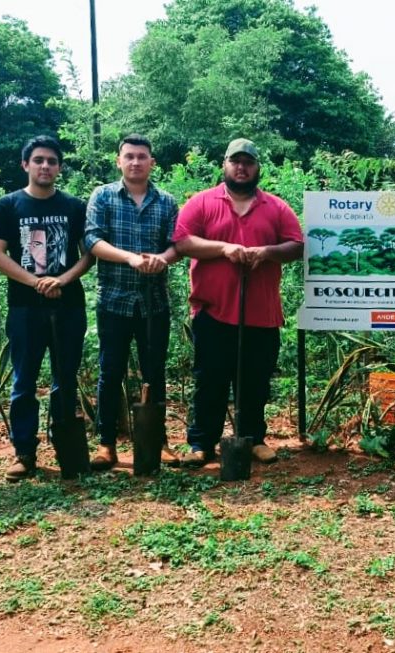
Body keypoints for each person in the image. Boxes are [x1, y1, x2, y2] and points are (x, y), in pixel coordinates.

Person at [172, 138, 304, 466]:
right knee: (210, 380)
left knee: (255, 380)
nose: (241, 168)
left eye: (248, 162)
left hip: (260, 312)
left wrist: (266, 252)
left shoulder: (276, 207)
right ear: (225, 165)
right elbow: (183, 241)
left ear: (258, 167)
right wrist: (223, 248)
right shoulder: (202, 202)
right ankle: (202, 442)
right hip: (212, 310)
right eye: (236, 161)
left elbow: (296, 245)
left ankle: (253, 437)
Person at [0, 135, 93, 481]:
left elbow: (89, 253)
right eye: (38, 160)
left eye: (51, 161)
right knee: (24, 381)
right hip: (24, 308)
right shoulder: (8, 206)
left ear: (59, 167)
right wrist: (35, 282)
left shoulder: (75, 207)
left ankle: (66, 450)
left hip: (68, 307)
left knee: (65, 379)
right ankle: (24, 452)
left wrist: (62, 280)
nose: (45, 166)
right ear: (25, 165)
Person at [84, 134, 179, 470]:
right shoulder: (103, 196)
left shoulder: (166, 201)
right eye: (129, 156)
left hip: (154, 302)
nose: (136, 162)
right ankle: (106, 444)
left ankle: (159, 440)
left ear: (152, 162)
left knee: (154, 372)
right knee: (111, 372)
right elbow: (93, 240)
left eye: (142, 156)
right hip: (114, 301)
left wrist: (162, 259)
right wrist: (131, 259)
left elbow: (176, 244)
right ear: (119, 161)